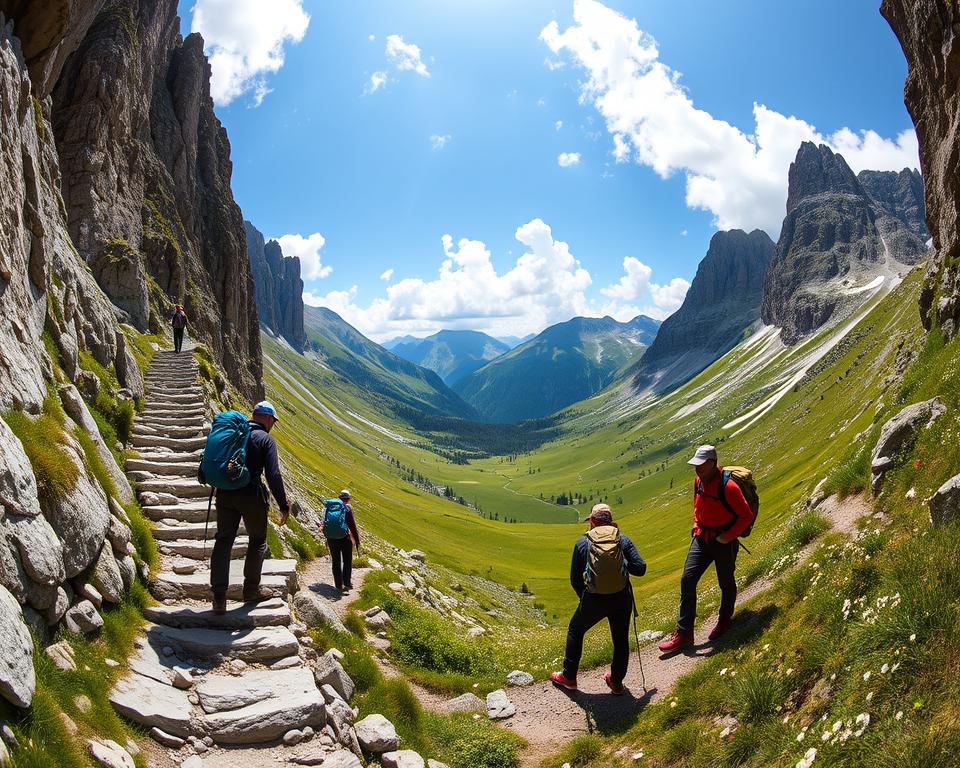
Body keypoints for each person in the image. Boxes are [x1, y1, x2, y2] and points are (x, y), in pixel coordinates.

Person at [658, 445, 755, 653]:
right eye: (696, 465)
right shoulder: (698, 480)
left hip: (723, 542)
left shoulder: (728, 487)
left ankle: (724, 619)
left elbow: (746, 516)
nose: (697, 469)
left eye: (701, 465)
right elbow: (696, 505)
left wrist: (728, 537)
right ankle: (684, 633)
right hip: (702, 538)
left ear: (712, 463)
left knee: (726, 581)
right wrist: (696, 524)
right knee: (687, 580)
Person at [551, 503, 646, 695]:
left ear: (592, 521)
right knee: (620, 639)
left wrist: (585, 598)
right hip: (621, 598)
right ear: (610, 521)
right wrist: (622, 562)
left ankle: (569, 677)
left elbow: (575, 579)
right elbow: (640, 568)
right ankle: (617, 682)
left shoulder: (582, 542)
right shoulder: (622, 540)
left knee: (576, 630)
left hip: (593, 599)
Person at [209, 402, 290, 614]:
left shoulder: (235, 433)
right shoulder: (266, 439)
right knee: (258, 540)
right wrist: (283, 505)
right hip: (251, 494)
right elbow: (273, 474)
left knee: (224, 539)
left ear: (253, 415)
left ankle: (219, 597)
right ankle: (251, 591)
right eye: (273, 421)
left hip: (224, 493)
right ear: (269, 419)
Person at [322, 489, 361, 593]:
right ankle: (347, 583)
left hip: (331, 538)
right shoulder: (347, 508)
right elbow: (352, 525)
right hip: (345, 538)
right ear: (348, 499)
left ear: (339, 497)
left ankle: (338, 585)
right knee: (347, 560)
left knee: (336, 561)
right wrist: (356, 541)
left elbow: (324, 522)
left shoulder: (330, 507)